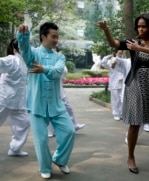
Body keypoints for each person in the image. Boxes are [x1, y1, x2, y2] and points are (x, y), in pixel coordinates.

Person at [97, 13, 149, 174]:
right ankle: (131, 157)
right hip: (135, 84)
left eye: (143, 26)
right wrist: (106, 31)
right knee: (135, 123)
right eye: (138, 26)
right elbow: (114, 43)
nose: (140, 29)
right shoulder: (132, 42)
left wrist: (139, 48)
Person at [16, 22, 75, 179]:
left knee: (69, 131)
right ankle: (45, 166)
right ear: (43, 36)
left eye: (57, 36)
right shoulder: (33, 55)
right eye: (53, 36)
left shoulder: (59, 56)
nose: (56, 40)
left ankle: (59, 160)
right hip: (37, 104)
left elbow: (57, 72)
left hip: (56, 104)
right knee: (41, 140)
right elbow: (24, 49)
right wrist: (23, 35)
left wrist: (44, 69)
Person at [0, 38, 30, 157]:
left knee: (25, 123)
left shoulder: (24, 62)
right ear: (17, 48)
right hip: (5, 99)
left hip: (18, 101)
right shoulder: (12, 59)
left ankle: (15, 149)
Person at [48, 62, 85, 137]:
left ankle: (74, 125)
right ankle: (50, 131)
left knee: (67, 107)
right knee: (50, 110)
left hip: (59, 89)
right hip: (48, 88)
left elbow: (64, 71)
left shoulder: (58, 59)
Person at [101, 50, 124, 121]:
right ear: (115, 53)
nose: (120, 54)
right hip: (114, 83)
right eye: (119, 53)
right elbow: (103, 63)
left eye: (121, 53)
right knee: (115, 99)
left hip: (122, 83)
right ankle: (116, 114)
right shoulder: (110, 61)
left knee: (122, 99)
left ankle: (121, 113)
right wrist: (109, 56)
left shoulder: (123, 61)